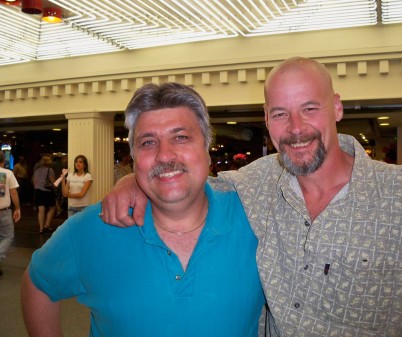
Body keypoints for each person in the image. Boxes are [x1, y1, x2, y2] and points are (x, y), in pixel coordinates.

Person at [101, 57, 402, 336]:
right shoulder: (257, 183)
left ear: (337, 108)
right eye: (280, 114)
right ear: (267, 119)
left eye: (310, 108)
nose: (296, 128)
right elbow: (185, 181)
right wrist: (133, 178)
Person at [21, 82, 264, 337]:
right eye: (148, 142)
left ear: (207, 151)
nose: (165, 155)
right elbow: (37, 285)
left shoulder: (255, 219)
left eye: (180, 137)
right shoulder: (95, 226)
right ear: (134, 158)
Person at [0, 150, 21, 276]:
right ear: (4, 160)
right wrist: (17, 208)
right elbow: (13, 193)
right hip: (3, 212)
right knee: (7, 236)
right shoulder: (7, 173)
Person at [32, 155, 56, 234]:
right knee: (52, 207)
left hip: (38, 191)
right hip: (47, 191)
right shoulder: (50, 170)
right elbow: (53, 183)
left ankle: (41, 228)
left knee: (41, 210)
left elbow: (34, 181)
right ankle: (47, 225)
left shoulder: (37, 170)